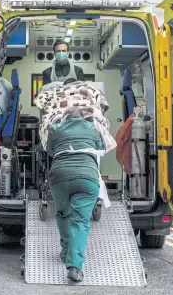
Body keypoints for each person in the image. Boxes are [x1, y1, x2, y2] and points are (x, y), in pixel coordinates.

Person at [46, 107, 102, 283]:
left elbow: (50, 151)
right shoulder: (93, 128)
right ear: (82, 117)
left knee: (63, 213)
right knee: (81, 221)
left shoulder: (55, 128)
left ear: (65, 117)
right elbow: (100, 147)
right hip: (87, 178)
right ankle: (75, 267)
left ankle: (66, 249)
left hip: (60, 176)